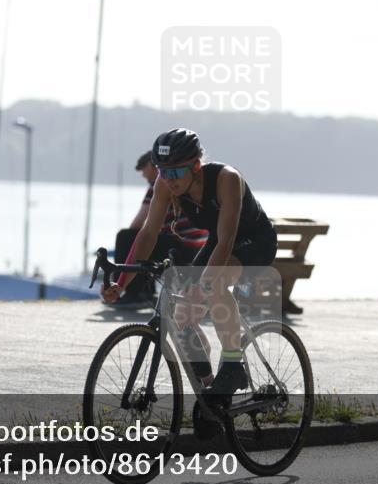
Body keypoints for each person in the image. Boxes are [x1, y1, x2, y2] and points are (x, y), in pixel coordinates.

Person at [102, 128, 278, 401]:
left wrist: (205, 285)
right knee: (180, 314)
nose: (168, 179)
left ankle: (232, 366)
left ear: (195, 165)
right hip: (219, 243)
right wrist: (122, 283)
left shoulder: (226, 179)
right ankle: (209, 390)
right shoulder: (164, 184)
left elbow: (226, 242)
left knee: (215, 286)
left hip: (254, 242)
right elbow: (147, 233)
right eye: (162, 171)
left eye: (175, 172)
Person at [109, 151, 208, 309]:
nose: (144, 176)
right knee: (147, 240)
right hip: (198, 246)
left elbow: (138, 224)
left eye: (144, 171)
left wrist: (129, 249)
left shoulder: (162, 185)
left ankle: (136, 294)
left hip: (185, 247)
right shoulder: (185, 182)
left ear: (153, 166)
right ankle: (143, 291)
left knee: (126, 237)